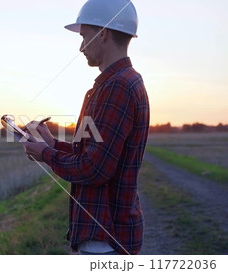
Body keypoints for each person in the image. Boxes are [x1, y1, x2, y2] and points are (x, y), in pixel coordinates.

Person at [23, 0, 149, 255]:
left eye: (84, 36)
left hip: (105, 241)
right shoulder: (113, 84)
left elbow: (95, 169)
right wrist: (52, 143)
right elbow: (93, 154)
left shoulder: (118, 87)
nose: (80, 47)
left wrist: (45, 155)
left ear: (102, 34)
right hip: (103, 238)